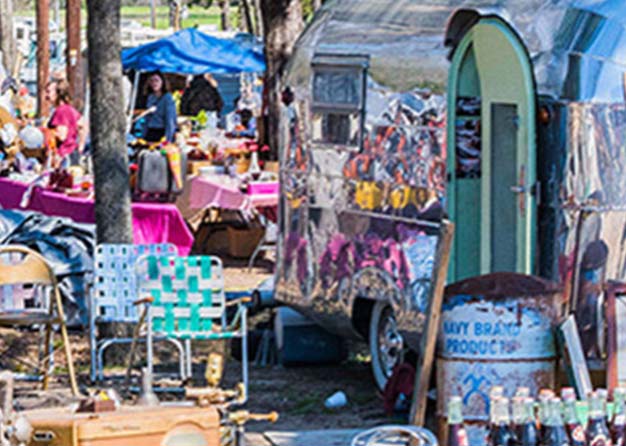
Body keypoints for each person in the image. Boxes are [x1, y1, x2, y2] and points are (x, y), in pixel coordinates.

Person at [45, 79, 86, 168]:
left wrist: (44, 132)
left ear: (58, 93)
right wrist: (81, 146)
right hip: (73, 154)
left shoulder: (61, 111)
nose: (46, 95)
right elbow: (83, 125)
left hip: (62, 156)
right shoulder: (71, 109)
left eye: (48, 92)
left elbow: (62, 135)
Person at [142, 72, 177, 143]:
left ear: (162, 82)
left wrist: (168, 140)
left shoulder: (167, 98)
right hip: (150, 131)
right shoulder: (150, 97)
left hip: (162, 131)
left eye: (156, 80)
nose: (154, 83)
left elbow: (170, 120)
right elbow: (147, 118)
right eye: (151, 81)